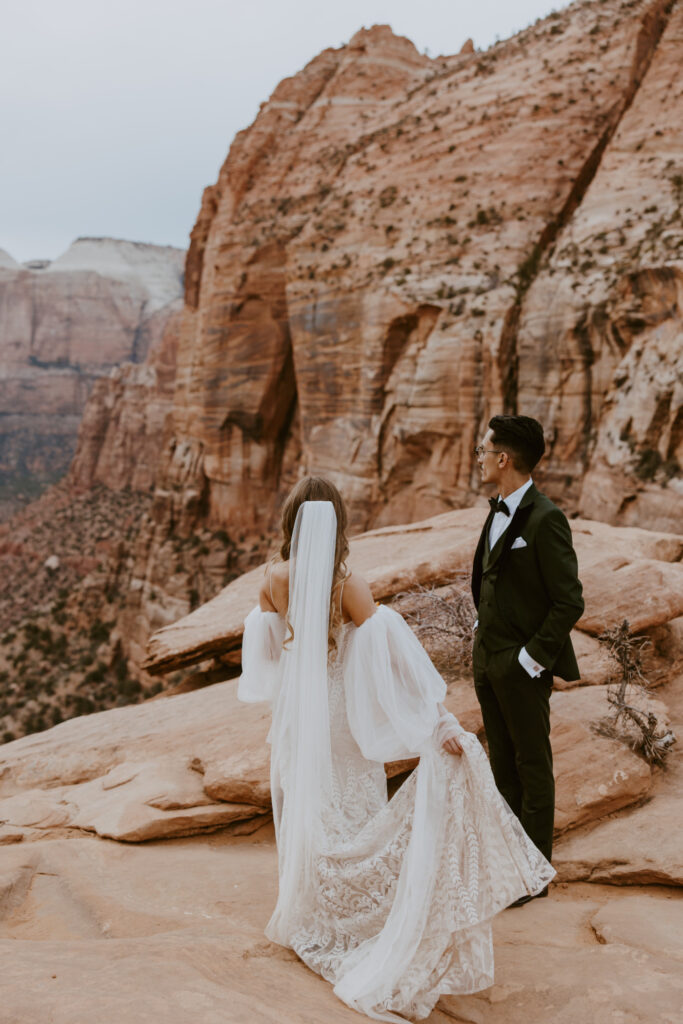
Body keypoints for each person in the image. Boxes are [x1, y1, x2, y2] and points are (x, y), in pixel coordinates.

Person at [238, 476, 554, 1022]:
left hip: (298, 717)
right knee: (356, 815)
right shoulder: (349, 588)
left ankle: (309, 912)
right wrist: (441, 723)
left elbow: (268, 659)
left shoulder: (272, 579)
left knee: (313, 810)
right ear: (338, 525)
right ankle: (359, 920)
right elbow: (395, 670)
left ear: (291, 521)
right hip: (339, 719)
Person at [471, 415, 584, 906]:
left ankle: (532, 875)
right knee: (502, 768)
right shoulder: (496, 510)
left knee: (532, 765)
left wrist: (531, 659)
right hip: (487, 660)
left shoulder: (545, 518)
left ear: (504, 458)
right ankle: (506, 865)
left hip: (520, 666)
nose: (478, 457)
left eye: (483, 449)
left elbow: (569, 601)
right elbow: (488, 580)